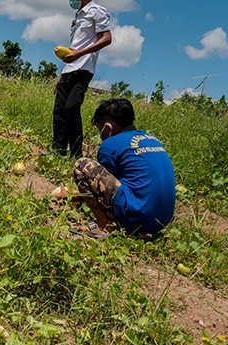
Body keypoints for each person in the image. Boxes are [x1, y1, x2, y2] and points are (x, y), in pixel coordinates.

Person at [67, 98, 176, 237]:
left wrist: (70, 195)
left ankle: (104, 226)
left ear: (108, 127)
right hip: (161, 222)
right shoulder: (153, 140)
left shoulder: (111, 144)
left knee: (82, 166)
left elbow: (101, 192)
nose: (101, 135)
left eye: (100, 129)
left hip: (136, 217)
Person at [51, 0, 112, 158]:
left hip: (84, 68)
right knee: (59, 110)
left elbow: (107, 38)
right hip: (69, 69)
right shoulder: (77, 16)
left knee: (71, 107)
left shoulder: (97, 11)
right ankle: (58, 151)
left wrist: (80, 53)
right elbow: (74, 47)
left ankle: (76, 154)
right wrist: (62, 73)